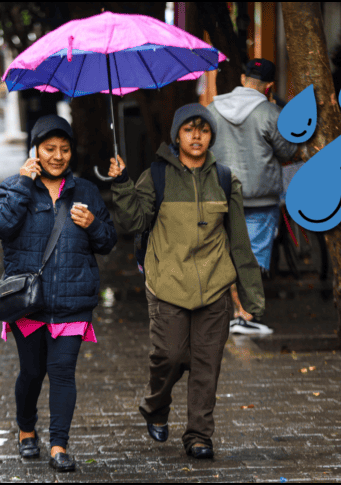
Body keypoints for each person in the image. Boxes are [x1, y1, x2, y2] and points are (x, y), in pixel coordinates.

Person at [107, 103, 265, 459]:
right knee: (170, 355)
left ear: (211, 136)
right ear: (176, 135)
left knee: (207, 365)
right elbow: (134, 221)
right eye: (189, 129)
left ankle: (199, 435)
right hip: (168, 283)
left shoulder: (225, 179)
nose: (197, 136)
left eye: (204, 130)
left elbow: (239, 240)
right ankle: (156, 406)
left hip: (214, 286)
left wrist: (251, 296)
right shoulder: (157, 176)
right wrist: (121, 183)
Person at [0, 115, 118, 472]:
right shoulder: (14, 186)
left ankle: (59, 445)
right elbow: (1, 225)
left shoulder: (87, 191)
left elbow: (108, 242)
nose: (58, 156)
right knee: (32, 372)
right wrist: (21, 185)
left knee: (62, 371)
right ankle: (26, 430)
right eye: (50, 149)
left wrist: (93, 225)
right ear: (36, 151)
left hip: (72, 301)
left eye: (64, 149)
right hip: (28, 302)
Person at [207, 58, 297, 335]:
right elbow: (288, 152)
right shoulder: (272, 113)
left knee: (226, 254)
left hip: (221, 196)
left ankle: (232, 312)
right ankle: (247, 314)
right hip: (261, 199)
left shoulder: (212, 109)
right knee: (254, 257)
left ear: (244, 79)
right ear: (269, 87)